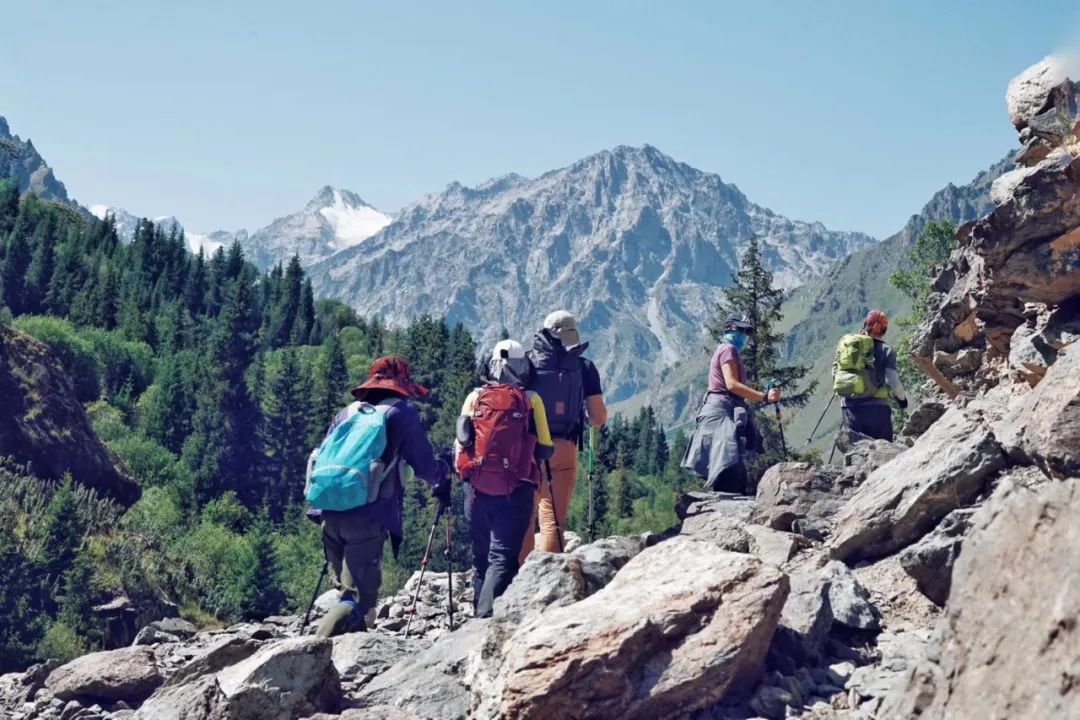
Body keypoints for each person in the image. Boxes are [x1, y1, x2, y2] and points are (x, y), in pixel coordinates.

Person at [310, 356, 450, 638]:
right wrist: (443, 473)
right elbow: (424, 465)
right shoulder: (401, 413)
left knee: (346, 594)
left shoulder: (347, 413)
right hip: (367, 516)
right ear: (401, 385)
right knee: (358, 601)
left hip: (328, 512)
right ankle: (311, 651)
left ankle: (340, 663)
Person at [456, 340, 554, 617]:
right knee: (503, 557)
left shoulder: (475, 397)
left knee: (480, 558)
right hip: (516, 489)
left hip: (475, 489)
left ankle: (477, 613)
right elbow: (546, 447)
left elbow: (461, 442)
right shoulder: (531, 399)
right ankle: (486, 618)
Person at [520, 311, 607, 559]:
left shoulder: (527, 364)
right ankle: (547, 576)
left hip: (529, 449)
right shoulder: (585, 367)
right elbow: (598, 418)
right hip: (564, 449)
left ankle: (518, 580)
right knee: (553, 519)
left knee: (525, 518)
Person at [681, 312, 781, 493]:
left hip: (717, 412)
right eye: (742, 330)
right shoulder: (728, 350)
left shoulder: (723, 348)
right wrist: (764, 397)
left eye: (747, 332)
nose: (745, 336)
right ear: (731, 328)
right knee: (730, 467)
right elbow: (731, 384)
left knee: (727, 466)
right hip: (721, 414)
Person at [839, 310, 908, 441]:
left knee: (856, 454)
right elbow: (893, 381)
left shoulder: (849, 347)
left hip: (850, 408)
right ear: (884, 330)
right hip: (877, 409)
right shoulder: (886, 350)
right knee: (884, 452)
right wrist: (902, 400)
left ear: (865, 324)